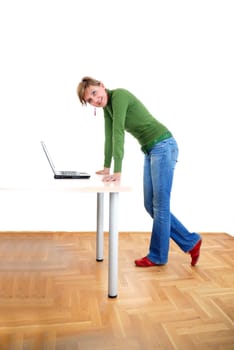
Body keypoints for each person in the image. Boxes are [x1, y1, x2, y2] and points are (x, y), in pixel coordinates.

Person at [76, 76, 202, 267]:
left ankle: (158, 256)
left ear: (101, 85)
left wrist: (118, 170)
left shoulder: (119, 96)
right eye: (90, 101)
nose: (96, 100)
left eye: (94, 93)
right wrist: (106, 167)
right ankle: (190, 241)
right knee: (150, 206)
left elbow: (118, 131)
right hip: (150, 150)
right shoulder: (107, 109)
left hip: (163, 145)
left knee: (160, 205)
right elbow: (109, 136)